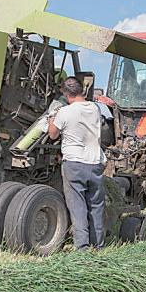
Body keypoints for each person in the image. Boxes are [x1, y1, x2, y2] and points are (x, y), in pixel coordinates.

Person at [48, 76, 106, 250]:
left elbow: (53, 135)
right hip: (95, 163)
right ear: (81, 91)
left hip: (74, 164)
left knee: (78, 207)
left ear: (67, 95)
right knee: (96, 206)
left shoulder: (65, 112)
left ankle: (82, 248)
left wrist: (51, 118)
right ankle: (98, 246)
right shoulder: (95, 108)